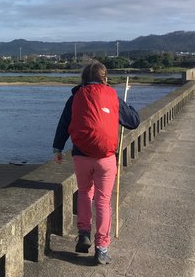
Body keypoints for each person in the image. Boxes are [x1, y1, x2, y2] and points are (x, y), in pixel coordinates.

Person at [52, 61, 140, 265]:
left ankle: (83, 232)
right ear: (104, 78)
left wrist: (57, 148)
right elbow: (133, 121)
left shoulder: (76, 96)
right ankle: (102, 247)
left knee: (84, 192)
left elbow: (64, 124)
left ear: (83, 78)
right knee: (102, 200)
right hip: (106, 158)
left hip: (81, 156)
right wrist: (127, 104)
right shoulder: (111, 96)